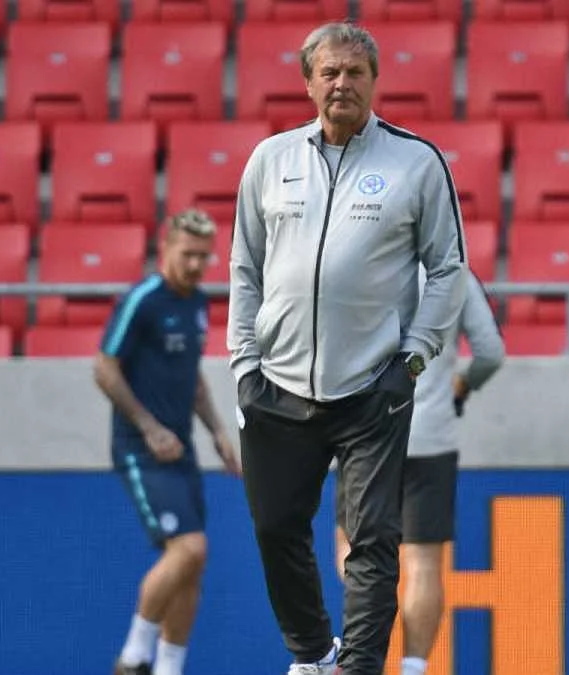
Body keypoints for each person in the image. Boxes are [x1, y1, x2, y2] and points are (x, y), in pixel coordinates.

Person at [228, 20, 468, 675]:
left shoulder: (416, 161)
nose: (342, 83)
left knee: (373, 540)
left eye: (355, 72)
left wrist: (412, 358)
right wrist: (245, 365)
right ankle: (312, 655)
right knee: (275, 527)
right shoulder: (270, 160)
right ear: (308, 83)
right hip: (276, 384)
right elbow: (244, 267)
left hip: (372, 387)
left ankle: (360, 666)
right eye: (329, 72)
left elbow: (449, 268)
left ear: (374, 81)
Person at [333, 273, 504, 675]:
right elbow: (490, 352)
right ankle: (413, 668)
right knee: (424, 564)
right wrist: (462, 385)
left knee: (354, 549)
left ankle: (364, 652)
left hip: (368, 432)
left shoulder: (364, 258)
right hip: (430, 435)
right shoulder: (455, 273)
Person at [96, 209, 240, 675]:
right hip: (142, 449)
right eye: (188, 254)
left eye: (204, 256)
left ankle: (169, 668)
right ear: (166, 248)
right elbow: (104, 367)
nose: (196, 265)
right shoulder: (143, 300)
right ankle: (133, 655)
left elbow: (191, 377)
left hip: (181, 450)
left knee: (192, 564)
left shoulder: (197, 303)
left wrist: (217, 431)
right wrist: (148, 426)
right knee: (190, 548)